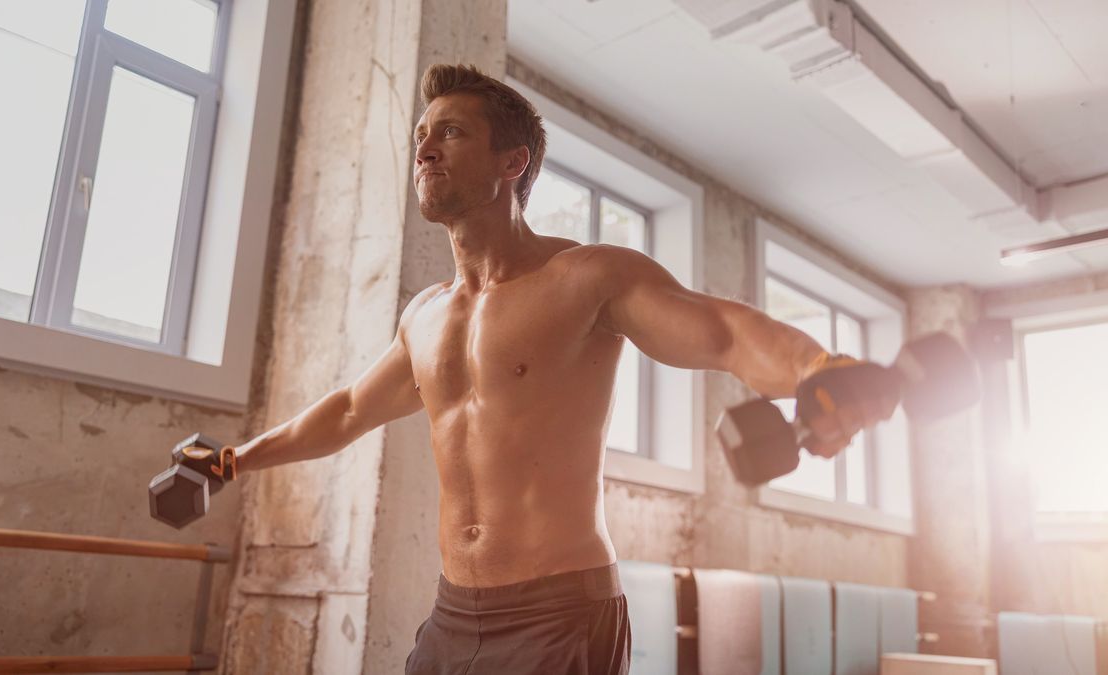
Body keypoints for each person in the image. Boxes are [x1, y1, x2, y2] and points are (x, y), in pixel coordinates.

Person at [229, 64, 896, 674]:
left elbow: (723, 334)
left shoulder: (585, 279)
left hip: (558, 616)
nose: (425, 150)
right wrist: (234, 459)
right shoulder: (425, 316)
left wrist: (818, 365)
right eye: (421, 137)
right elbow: (348, 410)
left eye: (451, 133)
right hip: (452, 614)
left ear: (513, 161)